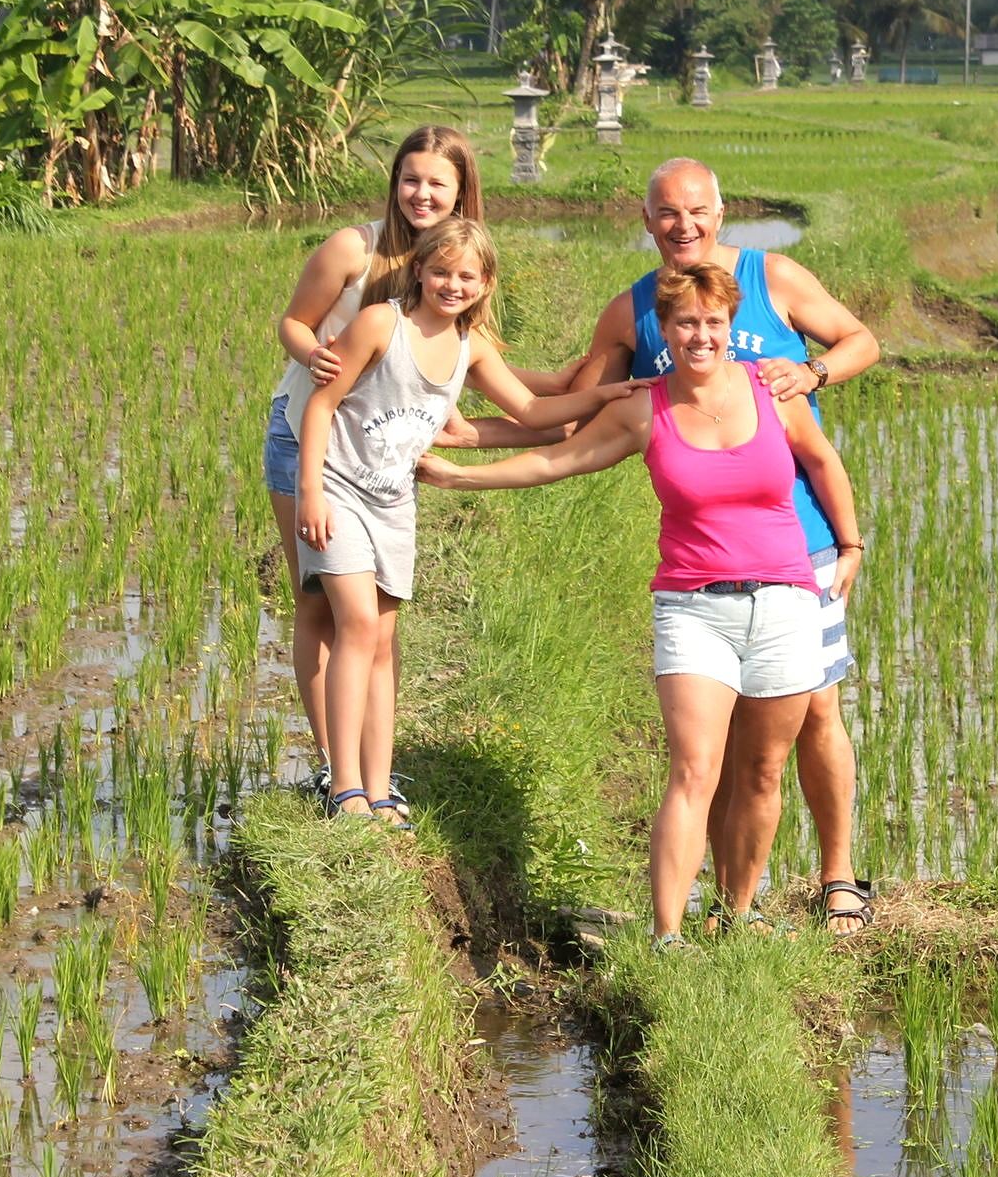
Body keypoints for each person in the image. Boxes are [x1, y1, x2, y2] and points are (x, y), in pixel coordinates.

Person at [421, 261, 863, 944]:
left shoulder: (775, 389)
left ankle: (736, 915)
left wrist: (852, 544)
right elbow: (554, 459)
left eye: (714, 321)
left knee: (763, 769)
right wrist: (456, 473)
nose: (701, 334)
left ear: (731, 326)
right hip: (694, 607)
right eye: (685, 322)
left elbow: (823, 461)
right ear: (663, 328)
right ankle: (667, 937)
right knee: (694, 768)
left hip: (786, 600)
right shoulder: (643, 408)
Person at [580, 158, 881, 933]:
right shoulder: (633, 312)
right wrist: (461, 386)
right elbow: (571, 402)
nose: (683, 225)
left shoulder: (772, 275)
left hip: (800, 537)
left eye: (697, 211)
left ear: (721, 214)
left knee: (815, 710)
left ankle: (838, 875)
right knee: (717, 749)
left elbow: (861, 340)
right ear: (646, 223)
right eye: (666, 213)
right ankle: (723, 905)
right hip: (709, 552)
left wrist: (811, 372)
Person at [295, 216, 641, 825]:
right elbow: (321, 404)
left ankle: (378, 788)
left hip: (394, 501)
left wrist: (604, 396)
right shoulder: (382, 323)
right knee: (353, 624)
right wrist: (309, 494)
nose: (451, 286)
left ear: (485, 284)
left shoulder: (469, 346)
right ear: (418, 271)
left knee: (380, 639)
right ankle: (343, 786)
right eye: (440, 273)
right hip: (339, 489)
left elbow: (532, 408)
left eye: (466, 277)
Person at [266, 125, 563, 802]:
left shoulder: (452, 271)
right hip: (308, 439)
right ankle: (336, 769)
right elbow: (293, 322)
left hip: (383, 461)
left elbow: (489, 376)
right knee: (322, 607)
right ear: (394, 180)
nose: (421, 193)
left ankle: (369, 776)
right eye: (410, 178)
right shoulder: (355, 248)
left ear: (462, 194)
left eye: (438, 183)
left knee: (372, 627)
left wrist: (587, 389)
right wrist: (310, 349)